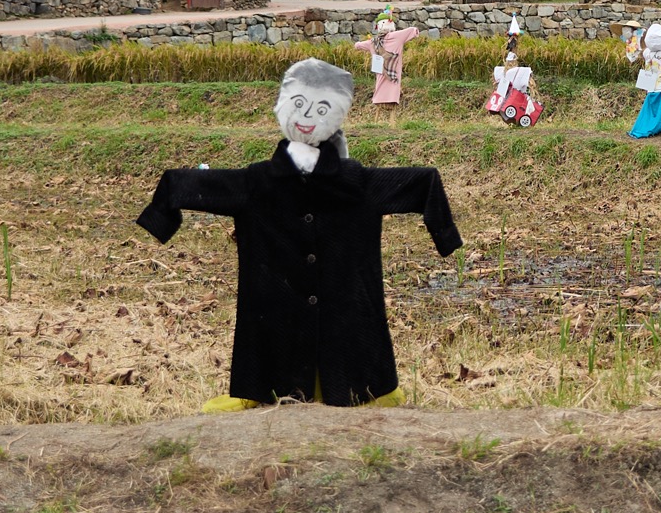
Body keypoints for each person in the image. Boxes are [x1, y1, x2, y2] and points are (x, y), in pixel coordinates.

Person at [135, 58, 461, 410]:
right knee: (275, 327)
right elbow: (185, 183)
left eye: (321, 109)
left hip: (347, 306)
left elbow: (423, 182)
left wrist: (444, 234)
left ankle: (367, 391)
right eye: (300, 104)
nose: (307, 115)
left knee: (352, 337)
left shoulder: (356, 184)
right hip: (275, 302)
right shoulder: (258, 183)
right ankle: (265, 393)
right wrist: (161, 215)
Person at [623, 21, 661, 139]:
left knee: (652, 109)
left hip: (654, 85)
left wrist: (636, 36)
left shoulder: (649, 51)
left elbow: (640, 50)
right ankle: (656, 127)